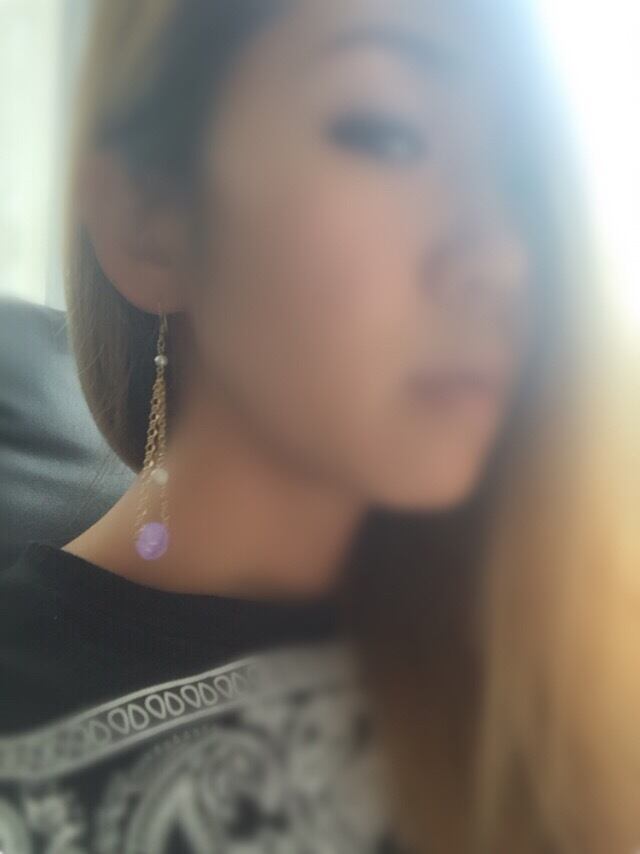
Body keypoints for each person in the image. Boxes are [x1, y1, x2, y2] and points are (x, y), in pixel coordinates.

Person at [0, 1, 638, 852]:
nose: (501, 260)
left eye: (518, 171)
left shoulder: (571, 644)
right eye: (388, 134)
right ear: (150, 218)